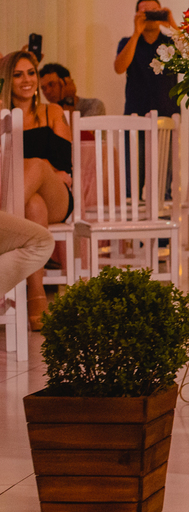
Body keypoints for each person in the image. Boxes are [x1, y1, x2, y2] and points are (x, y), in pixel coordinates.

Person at [0, 51, 73, 331]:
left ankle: (3, 221)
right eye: (18, 74)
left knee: (38, 164)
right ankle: (37, 296)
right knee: (33, 206)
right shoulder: (3, 116)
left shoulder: (51, 111)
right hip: (25, 198)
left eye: (31, 72)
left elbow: (64, 165)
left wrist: (50, 171)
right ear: (8, 79)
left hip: (59, 196)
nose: (27, 80)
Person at [113, 0, 180, 117]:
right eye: (146, 12)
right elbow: (119, 68)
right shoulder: (128, 43)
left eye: (155, 11)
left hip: (167, 115)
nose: (151, 16)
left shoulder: (173, 43)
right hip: (135, 115)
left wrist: (172, 25)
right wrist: (136, 32)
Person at [39, 63, 106, 117]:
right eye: (43, 88)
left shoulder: (93, 105)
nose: (47, 91)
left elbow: (79, 133)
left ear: (66, 82)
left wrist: (68, 100)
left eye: (52, 84)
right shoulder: (47, 114)